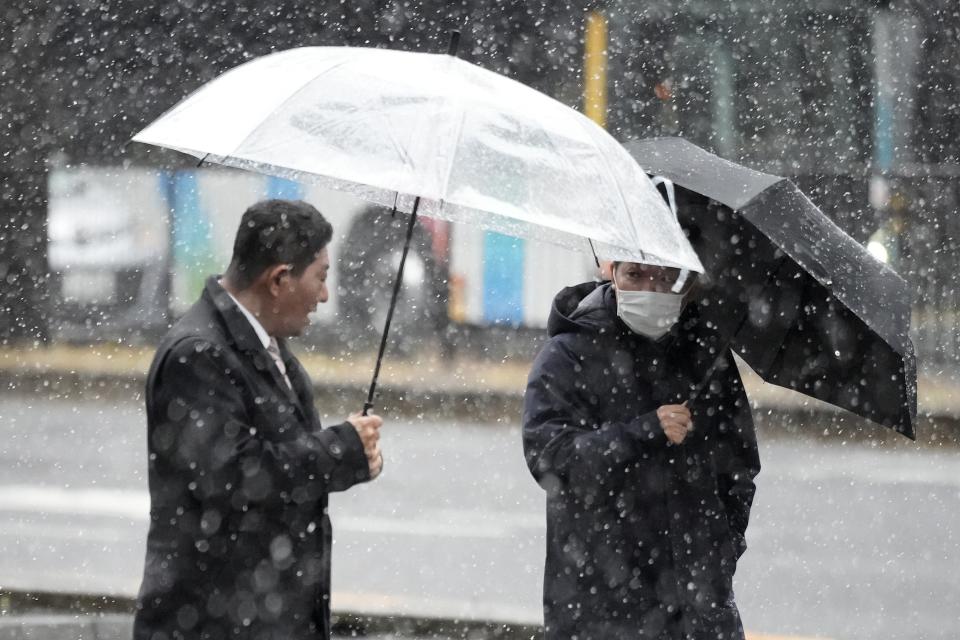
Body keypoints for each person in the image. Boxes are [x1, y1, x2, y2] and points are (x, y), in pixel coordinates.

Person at [134, 199, 384, 640]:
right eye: (321, 278)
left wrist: (347, 451)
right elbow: (230, 478)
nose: (325, 295)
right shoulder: (200, 353)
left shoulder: (259, 343)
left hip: (257, 617)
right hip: (216, 623)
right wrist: (339, 450)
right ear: (279, 279)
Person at [522, 255, 760, 639]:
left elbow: (738, 467)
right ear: (610, 271)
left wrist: (720, 551)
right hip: (602, 609)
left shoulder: (705, 354)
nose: (650, 289)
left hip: (699, 612)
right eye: (635, 274)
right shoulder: (568, 354)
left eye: (664, 277)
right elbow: (551, 456)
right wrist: (644, 432)